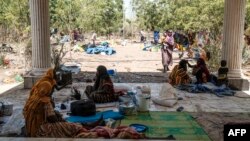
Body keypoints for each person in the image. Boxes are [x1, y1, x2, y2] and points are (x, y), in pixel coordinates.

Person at [23, 68, 72, 137]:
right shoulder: (45, 101)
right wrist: (60, 119)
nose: (52, 92)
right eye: (51, 90)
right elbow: (52, 118)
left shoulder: (33, 99)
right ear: (47, 90)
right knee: (70, 127)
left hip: (32, 128)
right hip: (41, 129)